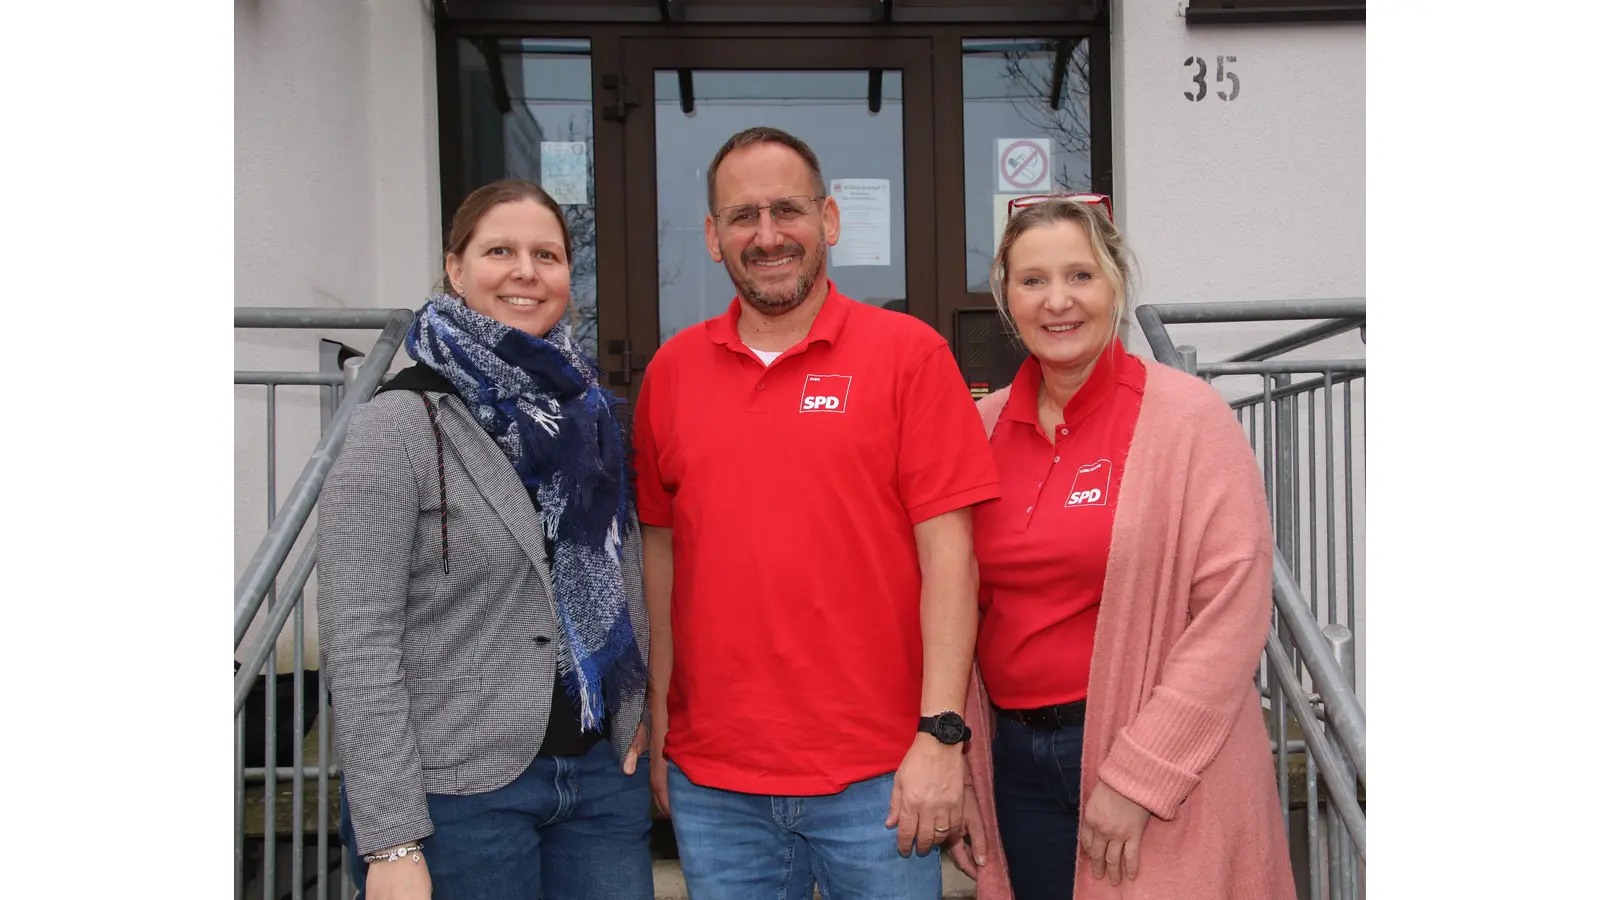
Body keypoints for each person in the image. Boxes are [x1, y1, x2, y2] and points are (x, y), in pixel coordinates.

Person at [631, 126, 1002, 900]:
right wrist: (663, 720)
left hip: (880, 777)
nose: (767, 236)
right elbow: (661, 565)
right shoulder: (671, 373)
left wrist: (942, 735)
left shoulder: (910, 355)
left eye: (787, 210)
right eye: (742, 216)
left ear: (829, 221)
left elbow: (951, 561)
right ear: (712, 236)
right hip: (716, 783)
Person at [317, 179, 653, 900]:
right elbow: (359, 638)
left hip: (597, 780)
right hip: (457, 797)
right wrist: (391, 839)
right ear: (457, 268)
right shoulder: (399, 422)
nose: (526, 271)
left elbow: (625, 579)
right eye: (500, 250)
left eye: (548, 254)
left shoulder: (590, 414)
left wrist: (635, 718)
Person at [953, 196, 1296, 899]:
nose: (1058, 301)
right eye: (1033, 280)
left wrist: (1140, 775)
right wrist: (961, 763)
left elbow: (1232, 612)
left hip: (1158, 760)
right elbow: (949, 605)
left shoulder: (1187, 419)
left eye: (1080, 276)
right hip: (1017, 762)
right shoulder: (978, 430)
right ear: (1004, 297)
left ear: (1116, 284)